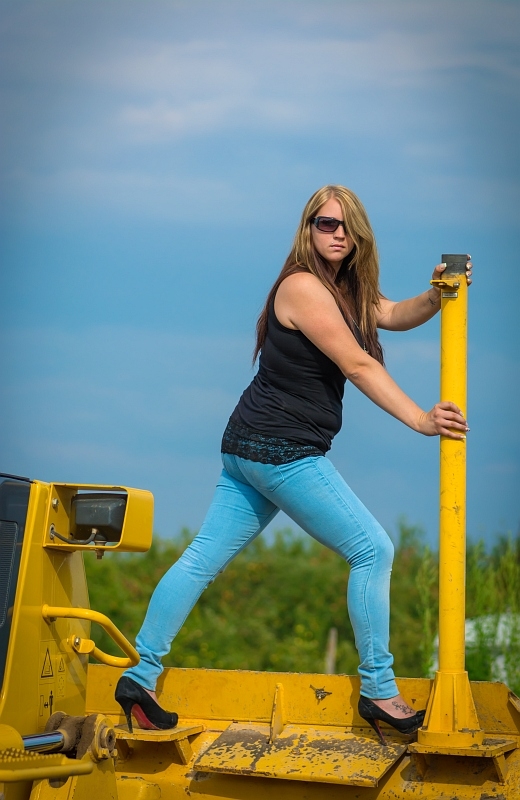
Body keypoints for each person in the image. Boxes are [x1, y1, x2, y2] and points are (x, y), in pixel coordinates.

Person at [115, 184, 471, 744]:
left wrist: (438, 294)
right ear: (308, 229)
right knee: (373, 550)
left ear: (359, 234)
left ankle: (140, 678)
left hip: (247, 447)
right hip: (282, 451)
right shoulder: (303, 286)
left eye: (346, 225)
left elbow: (392, 313)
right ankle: (379, 689)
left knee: (201, 560)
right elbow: (357, 364)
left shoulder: (345, 288)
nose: (337, 233)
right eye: (325, 223)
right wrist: (422, 420)